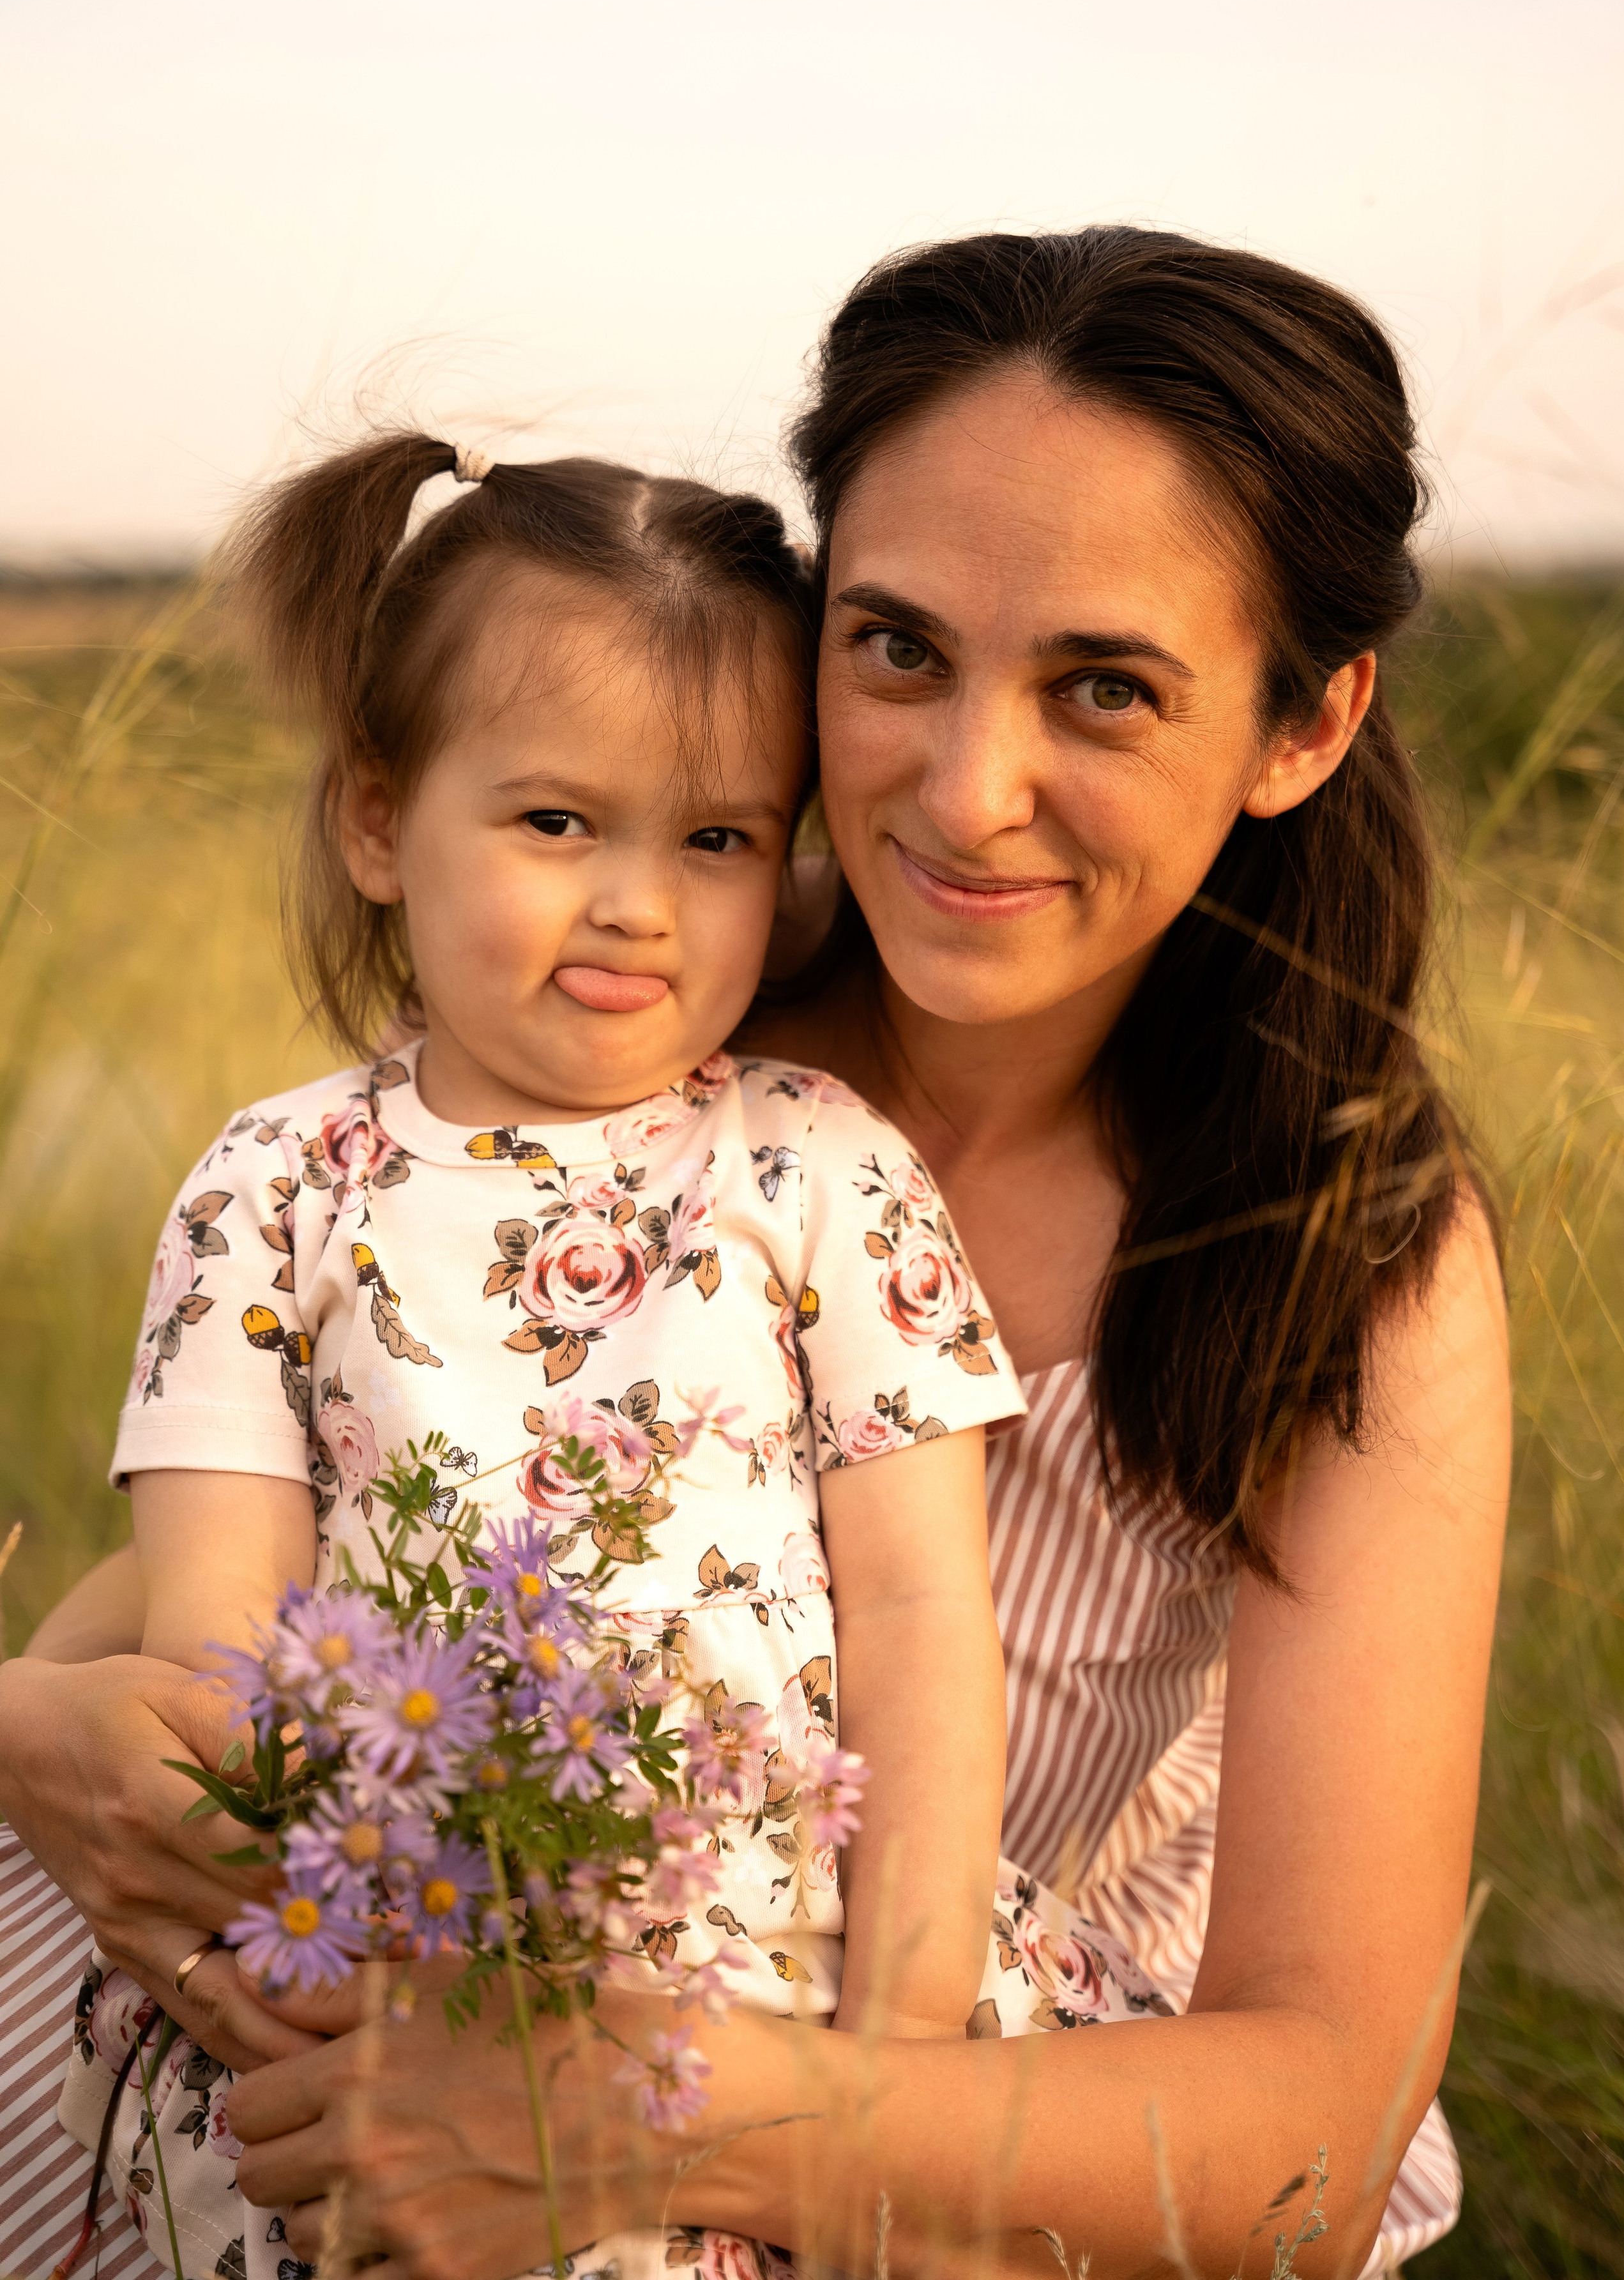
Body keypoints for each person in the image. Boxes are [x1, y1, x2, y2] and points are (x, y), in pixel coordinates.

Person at [0, 227, 1510, 2279]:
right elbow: (306, 1539)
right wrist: (36, 1734)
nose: (968, 795)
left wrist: (620, 2112)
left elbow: (1323, 2126)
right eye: (896, 647)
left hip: (936, 2105)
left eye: (1105, 686)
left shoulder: (1348, 1243)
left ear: (1302, 727)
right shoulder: (651, 1041)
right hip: (372, 1985)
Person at [10, 439, 1075, 2279]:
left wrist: (886, 2076)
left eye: (719, 837)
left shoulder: (823, 1169)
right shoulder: (274, 1188)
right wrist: (408, 2016)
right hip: (390, 1975)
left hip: (770, 2027)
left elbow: (920, 1624)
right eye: (557, 823)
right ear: (376, 819)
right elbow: (226, 1643)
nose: (639, 903)